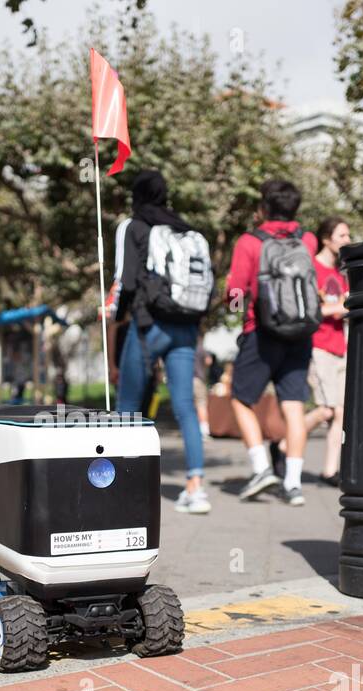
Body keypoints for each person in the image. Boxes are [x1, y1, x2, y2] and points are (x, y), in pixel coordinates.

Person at [113, 170, 211, 515]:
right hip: (185, 327)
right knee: (185, 406)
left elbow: (126, 282)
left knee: (127, 408)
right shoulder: (184, 229)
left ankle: (120, 487)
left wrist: (117, 315)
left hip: (147, 326)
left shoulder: (134, 226)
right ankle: (196, 487)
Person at [225, 179, 314, 506]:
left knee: (240, 398)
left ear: (263, 207)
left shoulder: (250, 242)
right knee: (294, 407)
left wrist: (235, 309)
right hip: (301, 333)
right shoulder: (308, 239)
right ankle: (293, 484)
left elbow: (236, 291)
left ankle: (262, 468)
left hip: (261, 332)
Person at [302, 217, 351, 486]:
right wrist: (339, 308)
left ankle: (330, 470)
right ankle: (285, 444)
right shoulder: (312, 270)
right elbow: (311, 311)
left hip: (340, 348)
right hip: (318, 346)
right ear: (326, 238)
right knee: (326, 410)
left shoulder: (341, 275)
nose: (347, 241)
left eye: (348, 236)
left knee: (341, 411)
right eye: (342, 235)